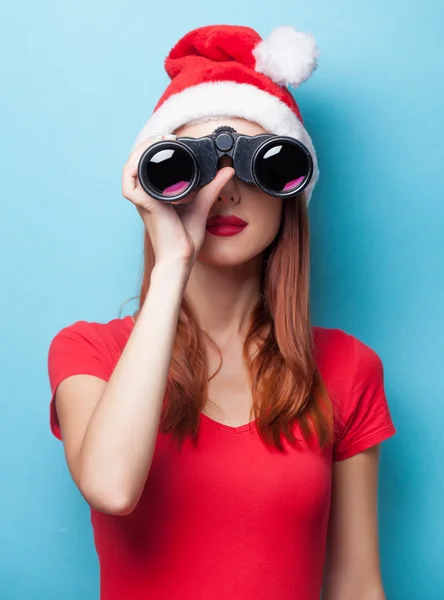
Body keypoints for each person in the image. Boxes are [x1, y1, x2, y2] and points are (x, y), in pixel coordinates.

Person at [47, 24, 396, 600]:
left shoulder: (348, 368)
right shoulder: (90, 352)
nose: (227, 191)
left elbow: (356, 585)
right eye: (199, 165)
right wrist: (172, 263)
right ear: (161, 180)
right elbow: (110, 486)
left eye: (261, 164)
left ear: (290, 190)